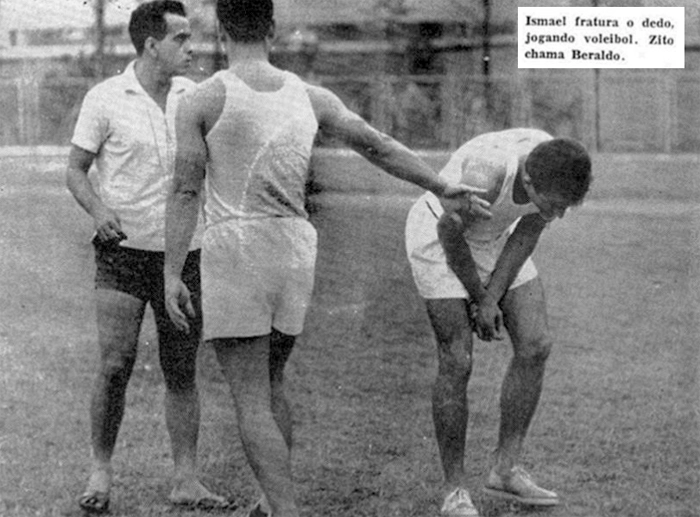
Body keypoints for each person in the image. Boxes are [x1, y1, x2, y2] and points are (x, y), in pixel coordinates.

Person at [162, 1, 491, 516]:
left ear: (221, 30)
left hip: (238, 246)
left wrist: (169, 270)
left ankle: (286, 510)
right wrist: (442, 183)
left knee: (249, 396)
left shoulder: (202, 99)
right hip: (296, 248)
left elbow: (185, 191)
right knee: (271, 384)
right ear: (271, 28)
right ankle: (272, 504)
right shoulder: (310, 95)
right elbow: (377, 145)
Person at [66, 1, 233, 513]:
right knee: (115, 363)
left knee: (181, 368)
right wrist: (98, 210)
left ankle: (186, 478)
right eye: (181, 38)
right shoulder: (105, 98)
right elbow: (75, 170)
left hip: (185, 256)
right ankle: (100, 471)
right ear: (150, 45)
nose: (192, 47)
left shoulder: (198, 96)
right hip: (122, 256)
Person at [404, 129, 592, 516]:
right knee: (457, 360)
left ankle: (505, 470)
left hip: (492, 235)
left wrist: (493, 296)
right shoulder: (488, 172)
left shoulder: (552, 162)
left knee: (536, 343)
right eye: (553, 205)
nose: (557, 214)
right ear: (527, 181)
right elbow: (449, 231)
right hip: (440, 238)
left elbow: (527, 231)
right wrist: (479, 297)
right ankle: (455, 490)